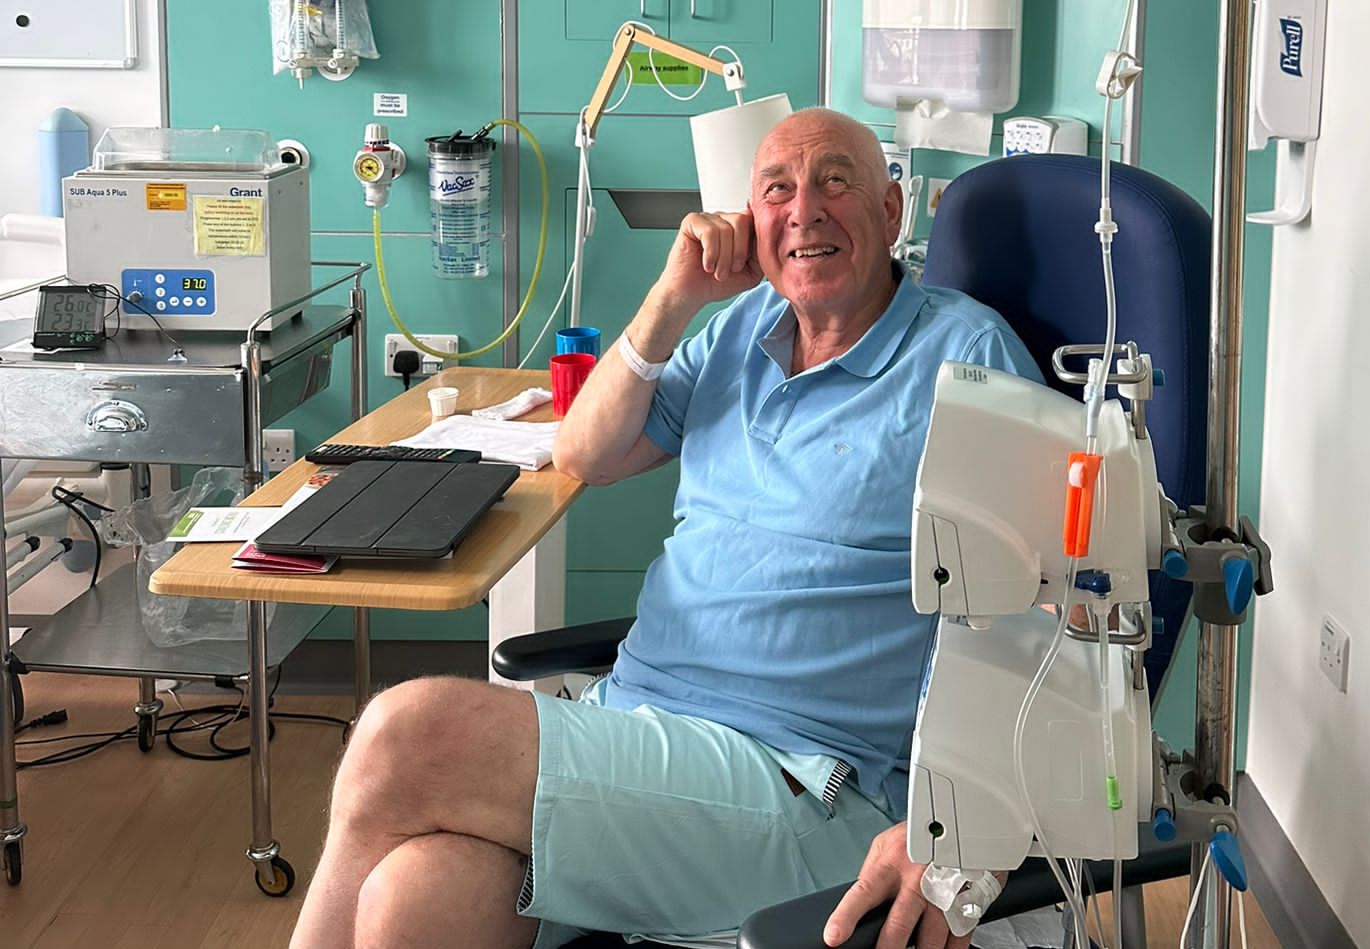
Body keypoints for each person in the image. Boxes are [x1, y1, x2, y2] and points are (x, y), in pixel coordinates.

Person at [288, 107, 1041, 949]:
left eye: (835, 181)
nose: (804, 211)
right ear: (749, 221)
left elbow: (1042, 619)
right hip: (643, 730)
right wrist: (673, 294)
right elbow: (585, 454)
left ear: (892, 211)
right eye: (775, 192)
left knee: (405, 734)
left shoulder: (965, 360)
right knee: (412, 894)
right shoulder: (734, 334)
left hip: (806, 779)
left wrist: (953, 821)